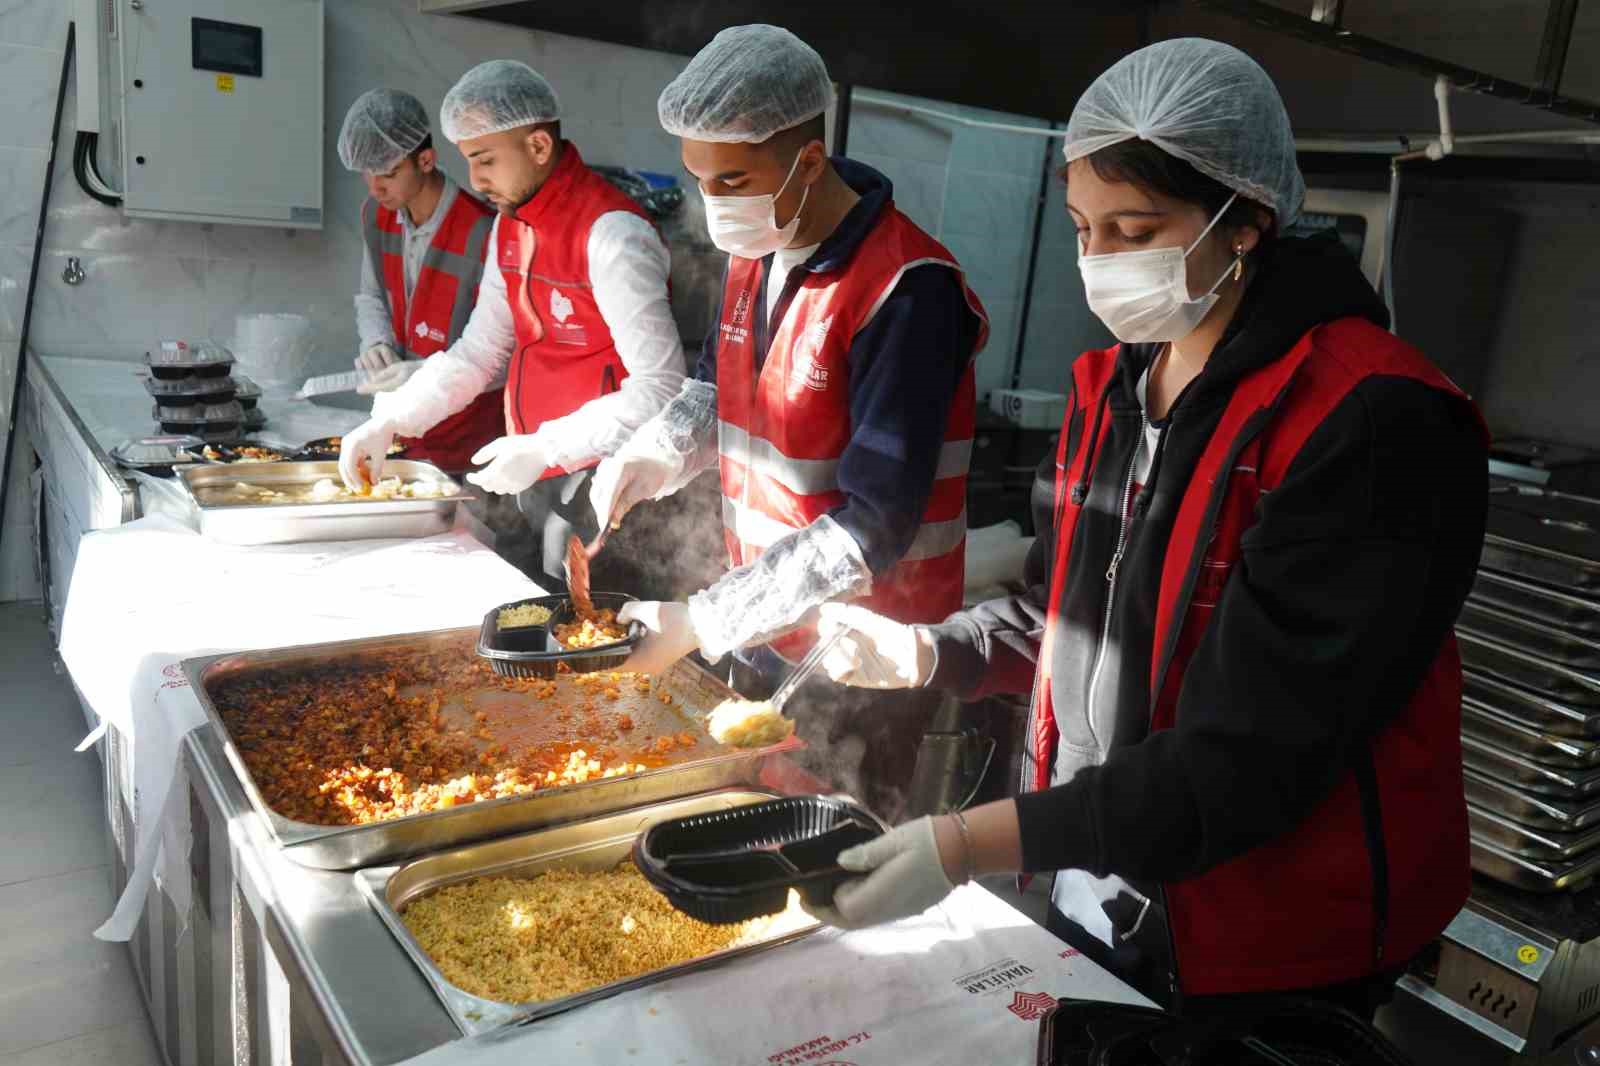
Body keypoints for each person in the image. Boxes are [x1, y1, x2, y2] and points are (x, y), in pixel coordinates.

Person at [808, 38, 1488, 1018]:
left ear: (1244, 219)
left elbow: (1251, 757)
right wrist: (930, 651)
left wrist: (963, 843)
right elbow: (1072, 618)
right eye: (1085, 228)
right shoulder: (1112, 390)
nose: (1098, 262)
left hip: (1267, 933)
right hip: (1103, 873)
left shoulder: (1369, 421)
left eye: (1133, 229)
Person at [592, 25, 988, 817]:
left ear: (809, 162)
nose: (715, 202)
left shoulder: (908, 289)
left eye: (733, 179)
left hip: (866, 654)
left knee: (836, 845)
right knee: (749, 817)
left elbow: (875, 523)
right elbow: (719, 388)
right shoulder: (757, 252)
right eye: (701, 179)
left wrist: (703, 618)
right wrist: (657, 450)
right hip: (768, 625)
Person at [338, 61, 684, 590]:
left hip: (614, 483)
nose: (475, 180)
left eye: (485, 160)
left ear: (538, 146)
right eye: (468, 161)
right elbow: (479, 353)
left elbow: (662, 389)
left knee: (600, 627)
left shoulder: (611, 234)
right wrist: (393, 418)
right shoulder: (510, 226)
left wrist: (546, 446)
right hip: (539, 472)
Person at [339, 88, 504, 474]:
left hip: (470, 439)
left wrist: (426, 372)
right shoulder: (377, 215)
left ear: (426, 160)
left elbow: (501, 352)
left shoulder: (484, 231)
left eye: (389, 173)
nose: (375, 188)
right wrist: (376, 342)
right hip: (402, 435)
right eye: (368, 173)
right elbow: (372, 296)